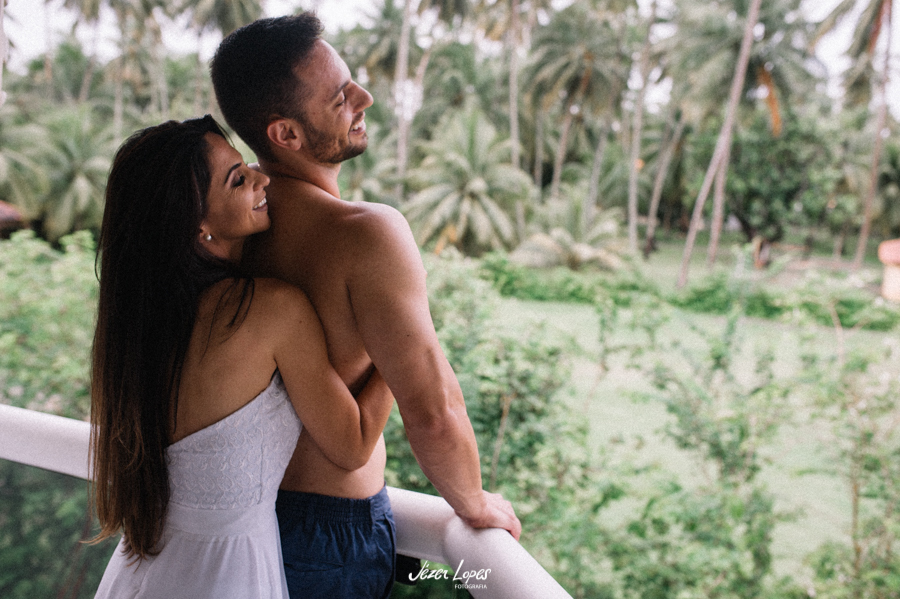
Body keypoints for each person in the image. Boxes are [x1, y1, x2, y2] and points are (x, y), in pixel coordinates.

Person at [211, 14, 522, 598]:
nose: (365, 97)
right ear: (286, 134)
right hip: (329, 545)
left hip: (232, 525)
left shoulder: (223, 225)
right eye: (340, 96)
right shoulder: (365, 233)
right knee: (469, 575)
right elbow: (431, 407)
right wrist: (475, 503)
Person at [90, 116, 394, 599]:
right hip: (224, 576)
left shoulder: (142, 331)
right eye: (238, 178)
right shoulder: (268, 309)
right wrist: (398, 349)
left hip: (145, 569)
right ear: (195, 222)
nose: (262, 178)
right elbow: (352, 444)